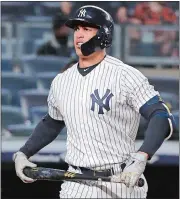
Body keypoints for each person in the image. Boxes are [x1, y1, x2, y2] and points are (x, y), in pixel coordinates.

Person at [13, 5, 175, 198]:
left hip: (121, 180)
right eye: (77, 29)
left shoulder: (125, 75)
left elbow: (161, 117)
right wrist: (23, 153)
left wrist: (142, 156)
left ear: (104, 34)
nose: (78, 35)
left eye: (87, 29)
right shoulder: (62, 80)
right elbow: (52, 122)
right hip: (76, 182)